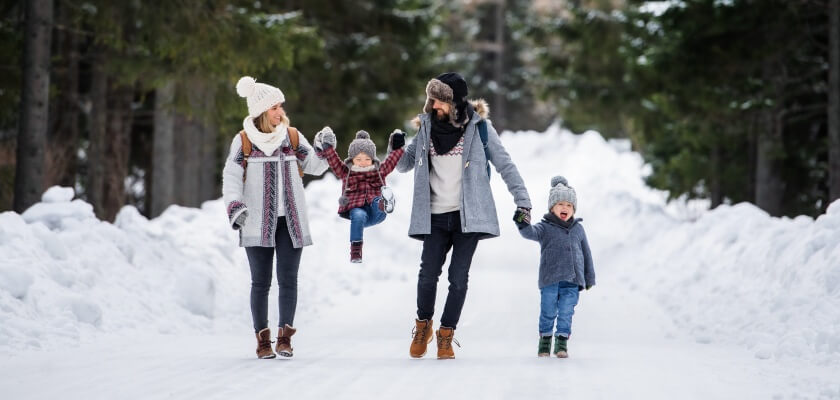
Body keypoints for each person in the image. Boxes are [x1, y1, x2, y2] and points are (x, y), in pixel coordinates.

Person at [396, 72, 532, 359]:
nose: (434, 106)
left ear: (455, 102)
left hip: (467, 217)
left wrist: (523, 202)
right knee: (427, 275)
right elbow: (404, 165)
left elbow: (506, 165)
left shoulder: (480, 129)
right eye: (431, 100)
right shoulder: (426, 128)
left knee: (458, 278)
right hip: (433, 215)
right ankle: (423, 326)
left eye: (439, 101)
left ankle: (446, 334)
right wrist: (394, 148)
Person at [222, 76, 328, 359]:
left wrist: (324, 147)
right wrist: (235, 207)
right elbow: (231, 177)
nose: (280, 112)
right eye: (274, 107)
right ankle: (262, 341)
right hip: (255, 221)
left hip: (290, 222)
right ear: (260, 111)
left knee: (289, 280)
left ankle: (285, 339)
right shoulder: (243, 141)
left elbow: (315, 166)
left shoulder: (291, 137)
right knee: (260, 282)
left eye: (280, 106)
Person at [514, 176, 596, 358]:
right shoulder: (545, 228)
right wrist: (522, 222)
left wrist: (589, 277)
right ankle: (544, 342)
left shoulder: (578, 229)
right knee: (548, 311)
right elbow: (530, 233)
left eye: (569, 205)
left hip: (572, 280)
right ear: (552, 208)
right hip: (550, 279)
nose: (565, 208)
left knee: (566, 312)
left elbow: (586, 254)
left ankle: (561, 344)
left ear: (574, 209)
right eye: (560, 204)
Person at [313, 128, 406, 263]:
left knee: (377, 200)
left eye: (367, 159)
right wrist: (327, 147)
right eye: (359, 159)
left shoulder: (379, 171)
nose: (363, 162)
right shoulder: (346, 172)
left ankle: (385, 203)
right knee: (358, 214)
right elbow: (334, 161)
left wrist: (398, 146)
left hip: (377, 212)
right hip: (357, 211)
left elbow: (391, 160)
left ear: (372, 159)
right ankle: (356, 250)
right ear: (352, 159)